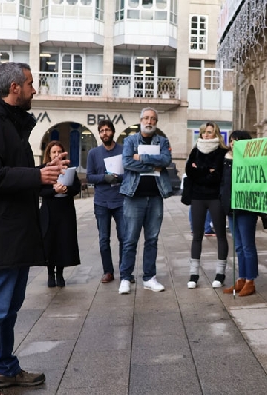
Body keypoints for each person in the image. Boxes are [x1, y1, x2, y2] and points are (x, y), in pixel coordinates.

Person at [0, 62, 67, 395]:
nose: (34, 89)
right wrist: (37, 177)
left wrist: (44, 173)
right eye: (29, 83)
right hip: (1, 232)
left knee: (8, 308)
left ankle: (4, 368)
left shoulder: (9, 122)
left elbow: (14, 173)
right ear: (13, 88)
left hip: (16, 230)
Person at [118, 107, 173, 295]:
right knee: (130, 239)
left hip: (156, 196)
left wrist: (141, 157)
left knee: (152, 239)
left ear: (156, 122)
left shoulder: (162, 141)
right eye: (146, 118)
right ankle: (125, 277)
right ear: (140, 120)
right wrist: (153, 163)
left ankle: (149, 277)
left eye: (153, 119)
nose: (149, 122)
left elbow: (166, 160)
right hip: (134, 196)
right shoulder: (130, 140)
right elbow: (127, 162)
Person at [185, 122, 229, 289]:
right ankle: (194, 273)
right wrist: (206, 171)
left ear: (216, 134)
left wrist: (201, 171)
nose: (206, 135)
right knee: (197, 235)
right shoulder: (195, 150)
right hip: (197, 197)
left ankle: (220, 273)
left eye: (209, 132)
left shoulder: (222, 153)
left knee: (220, 235)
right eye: (203, 132)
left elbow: (218, 176)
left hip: (215, 197)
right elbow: (190, 172)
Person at [87, 119, 126, 284]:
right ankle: (108, 271)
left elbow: (131, 173)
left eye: (107, 130)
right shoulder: (93, 153)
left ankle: (125, 271)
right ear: (99, 133)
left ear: (113, 132)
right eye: (102, 130)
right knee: (104, 238)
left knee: (124, 237)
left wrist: (119, 177)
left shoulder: (123, 151)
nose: (105, 133)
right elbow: (89, 176)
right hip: (102, 201)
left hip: (121, 201)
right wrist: (104, 177)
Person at [220, 130, 258, 296]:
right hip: (230, 206)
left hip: (247, 207)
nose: (233, 144)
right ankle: (241, 278)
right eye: (232, 141)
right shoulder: (225, 159)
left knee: (248, 245)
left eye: (237, 141)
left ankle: (250, 280)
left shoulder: (252, 160)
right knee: (238, 246)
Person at [40, 141, 81, 288]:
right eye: (54, 152)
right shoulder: (43, 170)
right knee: (50, 242)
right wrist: (54, 191)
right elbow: (39, 190)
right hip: (49, 210)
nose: (57, 155)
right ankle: (50, 273)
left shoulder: (69, 169)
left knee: (63, 241)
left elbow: (76, 188)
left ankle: (60, 273)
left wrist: (66, 190)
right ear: (49, 155)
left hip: (65, 210)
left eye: (59, 152)